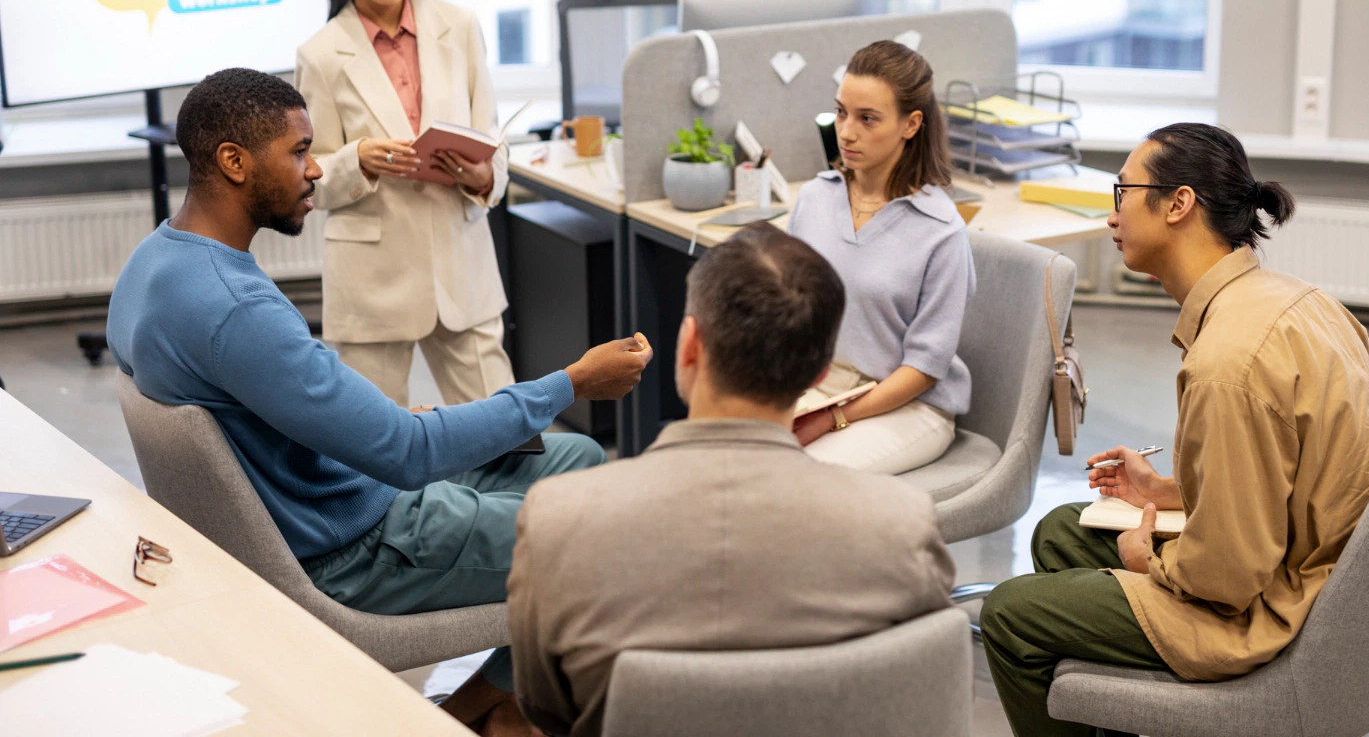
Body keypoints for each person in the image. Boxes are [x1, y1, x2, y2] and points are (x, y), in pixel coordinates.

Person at [106, 69, 652, 737]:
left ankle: (491, 706)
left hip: (335, 493)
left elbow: (315, 418)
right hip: (359, 547)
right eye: (300, 151)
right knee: (601, 543)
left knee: (577, 454)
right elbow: (407, 454)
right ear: (234, 162)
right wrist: (573, 383)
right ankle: (485, 711)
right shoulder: (235, 309)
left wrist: (400, 426)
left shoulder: (155, 263)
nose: (314, 171)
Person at [979, 123, 1369, 737]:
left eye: (1123, 191)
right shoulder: (1296, 299)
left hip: (1271, 607)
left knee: (1010, 615)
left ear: (1178, 204)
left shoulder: (1227, 362)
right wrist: (1167, 494)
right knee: (1062, 532)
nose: (1112, 213)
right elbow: (1284, 475)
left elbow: (1226, 578)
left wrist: (1147, 560)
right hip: (1307, 564)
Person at [507, 224, 956, 737]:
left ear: (689, 345)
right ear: (819, 371)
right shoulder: (900, 524)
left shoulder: (558, 519)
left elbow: (545, 707)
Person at [295, 0, 513, 409]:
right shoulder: (321, 54)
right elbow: (306, 175)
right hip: (374, 282)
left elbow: (493, 140)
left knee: (508, 433)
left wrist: (482, 175)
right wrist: (358, 160)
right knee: (369, 448)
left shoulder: (458, 28)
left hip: (463, 268)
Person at [784, 39, 975, 475]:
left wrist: (831, 417)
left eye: (867, 119)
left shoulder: (940, 230)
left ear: (911, 125)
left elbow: (924, 369)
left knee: (805, 480)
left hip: (906, 404)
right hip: (821, 386)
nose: (846, 132)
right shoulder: (815, 198)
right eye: (841, 112)